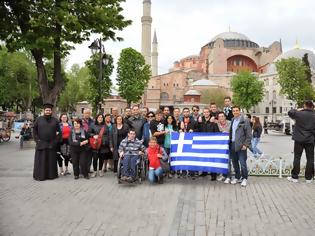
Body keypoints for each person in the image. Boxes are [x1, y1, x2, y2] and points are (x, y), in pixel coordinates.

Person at [287, 100, 315, 183]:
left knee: (297, 157)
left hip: (299, 139)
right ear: (312, 106)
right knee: (310, 159)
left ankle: (295, 177)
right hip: (310, 140)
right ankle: (309, 178)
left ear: (305, 105)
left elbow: (290, 112)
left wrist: (298, 109)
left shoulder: (299, 114)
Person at [33, 103, 61, 181]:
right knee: (41, 161)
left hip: (51, 144)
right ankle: (40, 176)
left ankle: (51, 176)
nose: (48, 111)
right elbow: (34, 130)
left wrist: (55, 141)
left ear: (51, 111)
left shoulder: (55, 120)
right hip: (41, 143)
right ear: (44, 111)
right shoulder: (39, 119)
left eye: (49, 110)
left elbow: (59, 132)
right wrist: (37, 140)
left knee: (51, 161)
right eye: (46, 110)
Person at [229, 106, 252, 187]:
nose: (235, 112)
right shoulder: (232, 120)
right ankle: (237, 177)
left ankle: (244, 178)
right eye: (234, 111)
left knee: (242, 162)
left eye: (237, 110)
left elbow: (249, 135)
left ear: (239, 111)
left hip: (241, 145)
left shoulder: (245, 120)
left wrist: (246, 145)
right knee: (234, 162)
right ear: (232, 112)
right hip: (233, 144)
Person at [198, 107, 220, 180]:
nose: (206, 113)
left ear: (209, 113)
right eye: (204, 112)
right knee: (204, 158)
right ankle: (204, 172)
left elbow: (217, 132)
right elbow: (198, 131)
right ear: (203, 113)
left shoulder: (213, 122)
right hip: (203, 144)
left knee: (212, 159)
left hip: (211, 144)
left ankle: (213, 174)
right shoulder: (201, 122)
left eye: (207, 112)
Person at [179, 107, 198, 178]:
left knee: (191, 157)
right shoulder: (180, 121)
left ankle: (191, 172)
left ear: (189, 112)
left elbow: (198, 129)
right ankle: (184, 172)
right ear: (183, 113)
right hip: (182, 142)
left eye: (187, 111)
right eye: (184, 112)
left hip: (191, 142)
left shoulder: (193, 121)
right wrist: (179, 130)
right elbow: (177, 129)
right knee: (183, 157)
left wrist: (193, 131)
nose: (186, 113)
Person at [217, 112, 232, 184]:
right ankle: (223, 175)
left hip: (228, 144)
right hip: (220, 145)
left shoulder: (230, 123)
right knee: (222, 161)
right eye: (219, 117)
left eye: (222, 116)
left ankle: (229, 177)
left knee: (228, 161)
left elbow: (232, 132)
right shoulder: (217, 124)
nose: (221, 118)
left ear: (225, 117)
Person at [82, 108, 94, 173]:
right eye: (86, 113)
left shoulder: (93, 121)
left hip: (90, 141)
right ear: (83, 114)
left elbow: (94, 130)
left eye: (88, 113)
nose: (87, 114)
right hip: (82, 140)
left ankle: (88, 169)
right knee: (82, 156)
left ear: (90, 114)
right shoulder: (80, 121)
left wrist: (91, 135)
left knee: (89, 156)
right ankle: (82, 169)